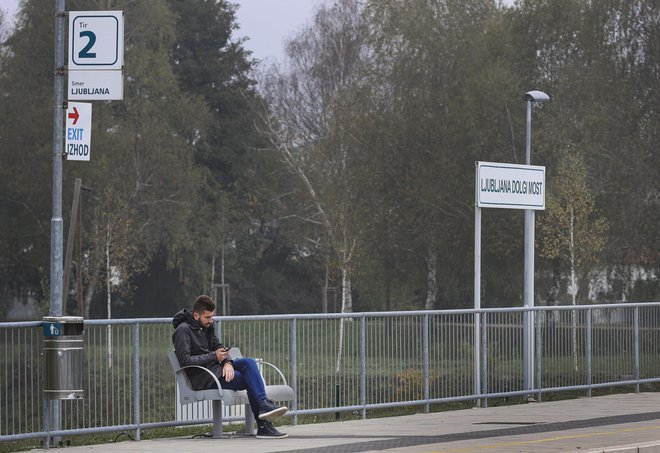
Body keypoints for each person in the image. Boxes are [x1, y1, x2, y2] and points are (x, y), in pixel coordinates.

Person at [172, 295, 288, 439]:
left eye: (212, 317)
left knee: (249, 362)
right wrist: (214, 357)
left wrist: (227, 362)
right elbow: (185, 360)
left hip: (217, 369)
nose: (211, 321)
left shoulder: (206, 327)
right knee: (248, 379)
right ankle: (264, 425)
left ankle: (263, 404)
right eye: (207, 317)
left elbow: (218, 347)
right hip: (206, 377)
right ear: (196, 315)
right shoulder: (183, 331)